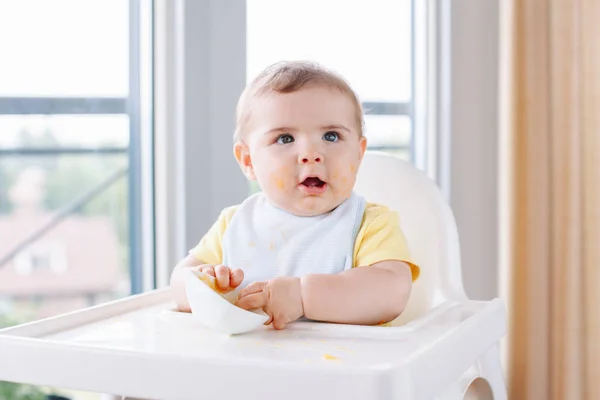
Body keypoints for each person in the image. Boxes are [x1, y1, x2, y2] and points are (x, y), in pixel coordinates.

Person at [170, 61, 420, 330]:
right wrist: (203, 283)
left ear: (358, 154)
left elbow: (392, 291)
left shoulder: (369, 224)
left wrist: (303, 296)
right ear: (248, 160)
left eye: (331, 136)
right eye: (285, 138)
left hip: (345, 366)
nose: (311, 154)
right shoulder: (234, 224)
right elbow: (178, 284)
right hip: (250, 365)